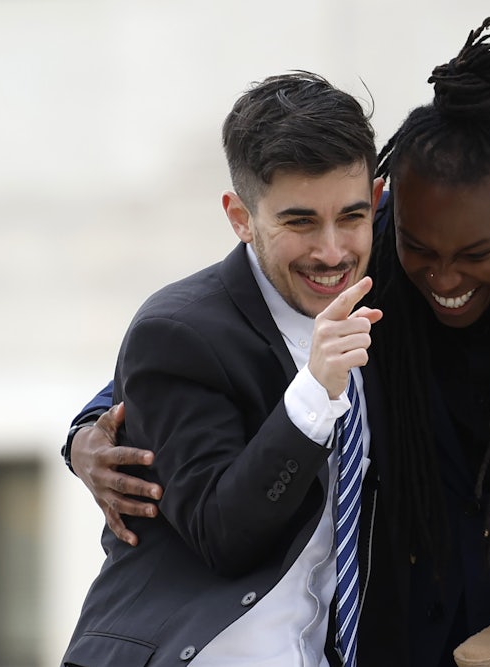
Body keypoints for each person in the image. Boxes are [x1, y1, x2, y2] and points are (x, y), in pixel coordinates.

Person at [67, 19, 490, 667]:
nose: (444, 277)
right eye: (420, 248)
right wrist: (83, 436)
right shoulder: (367, 259)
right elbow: (196, 350)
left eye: (476, 253)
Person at [59, 71, 397, 667]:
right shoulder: (179, 331)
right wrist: (314, 394)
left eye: (351, 216)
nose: (332, 251)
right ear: (240, 217)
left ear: (375, 199)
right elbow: (223, 535)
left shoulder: (394, 273)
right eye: (298, 223)